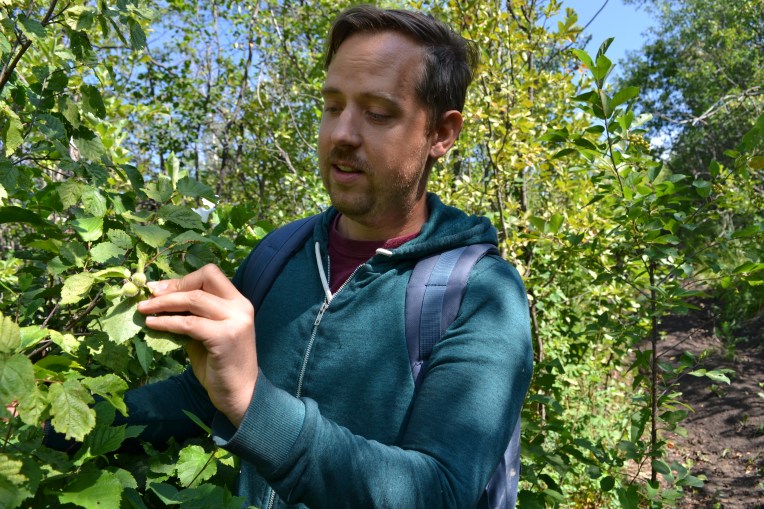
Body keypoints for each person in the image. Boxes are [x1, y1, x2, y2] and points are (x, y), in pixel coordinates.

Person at [50, 5, 533, 508]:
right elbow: (203, 396)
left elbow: (440, 492)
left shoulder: (480, 295)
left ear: (442, 134)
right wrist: (49, 419)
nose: (342, 134)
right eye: (332, 106)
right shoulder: (280, 255)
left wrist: (255, 406)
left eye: (378, 113)